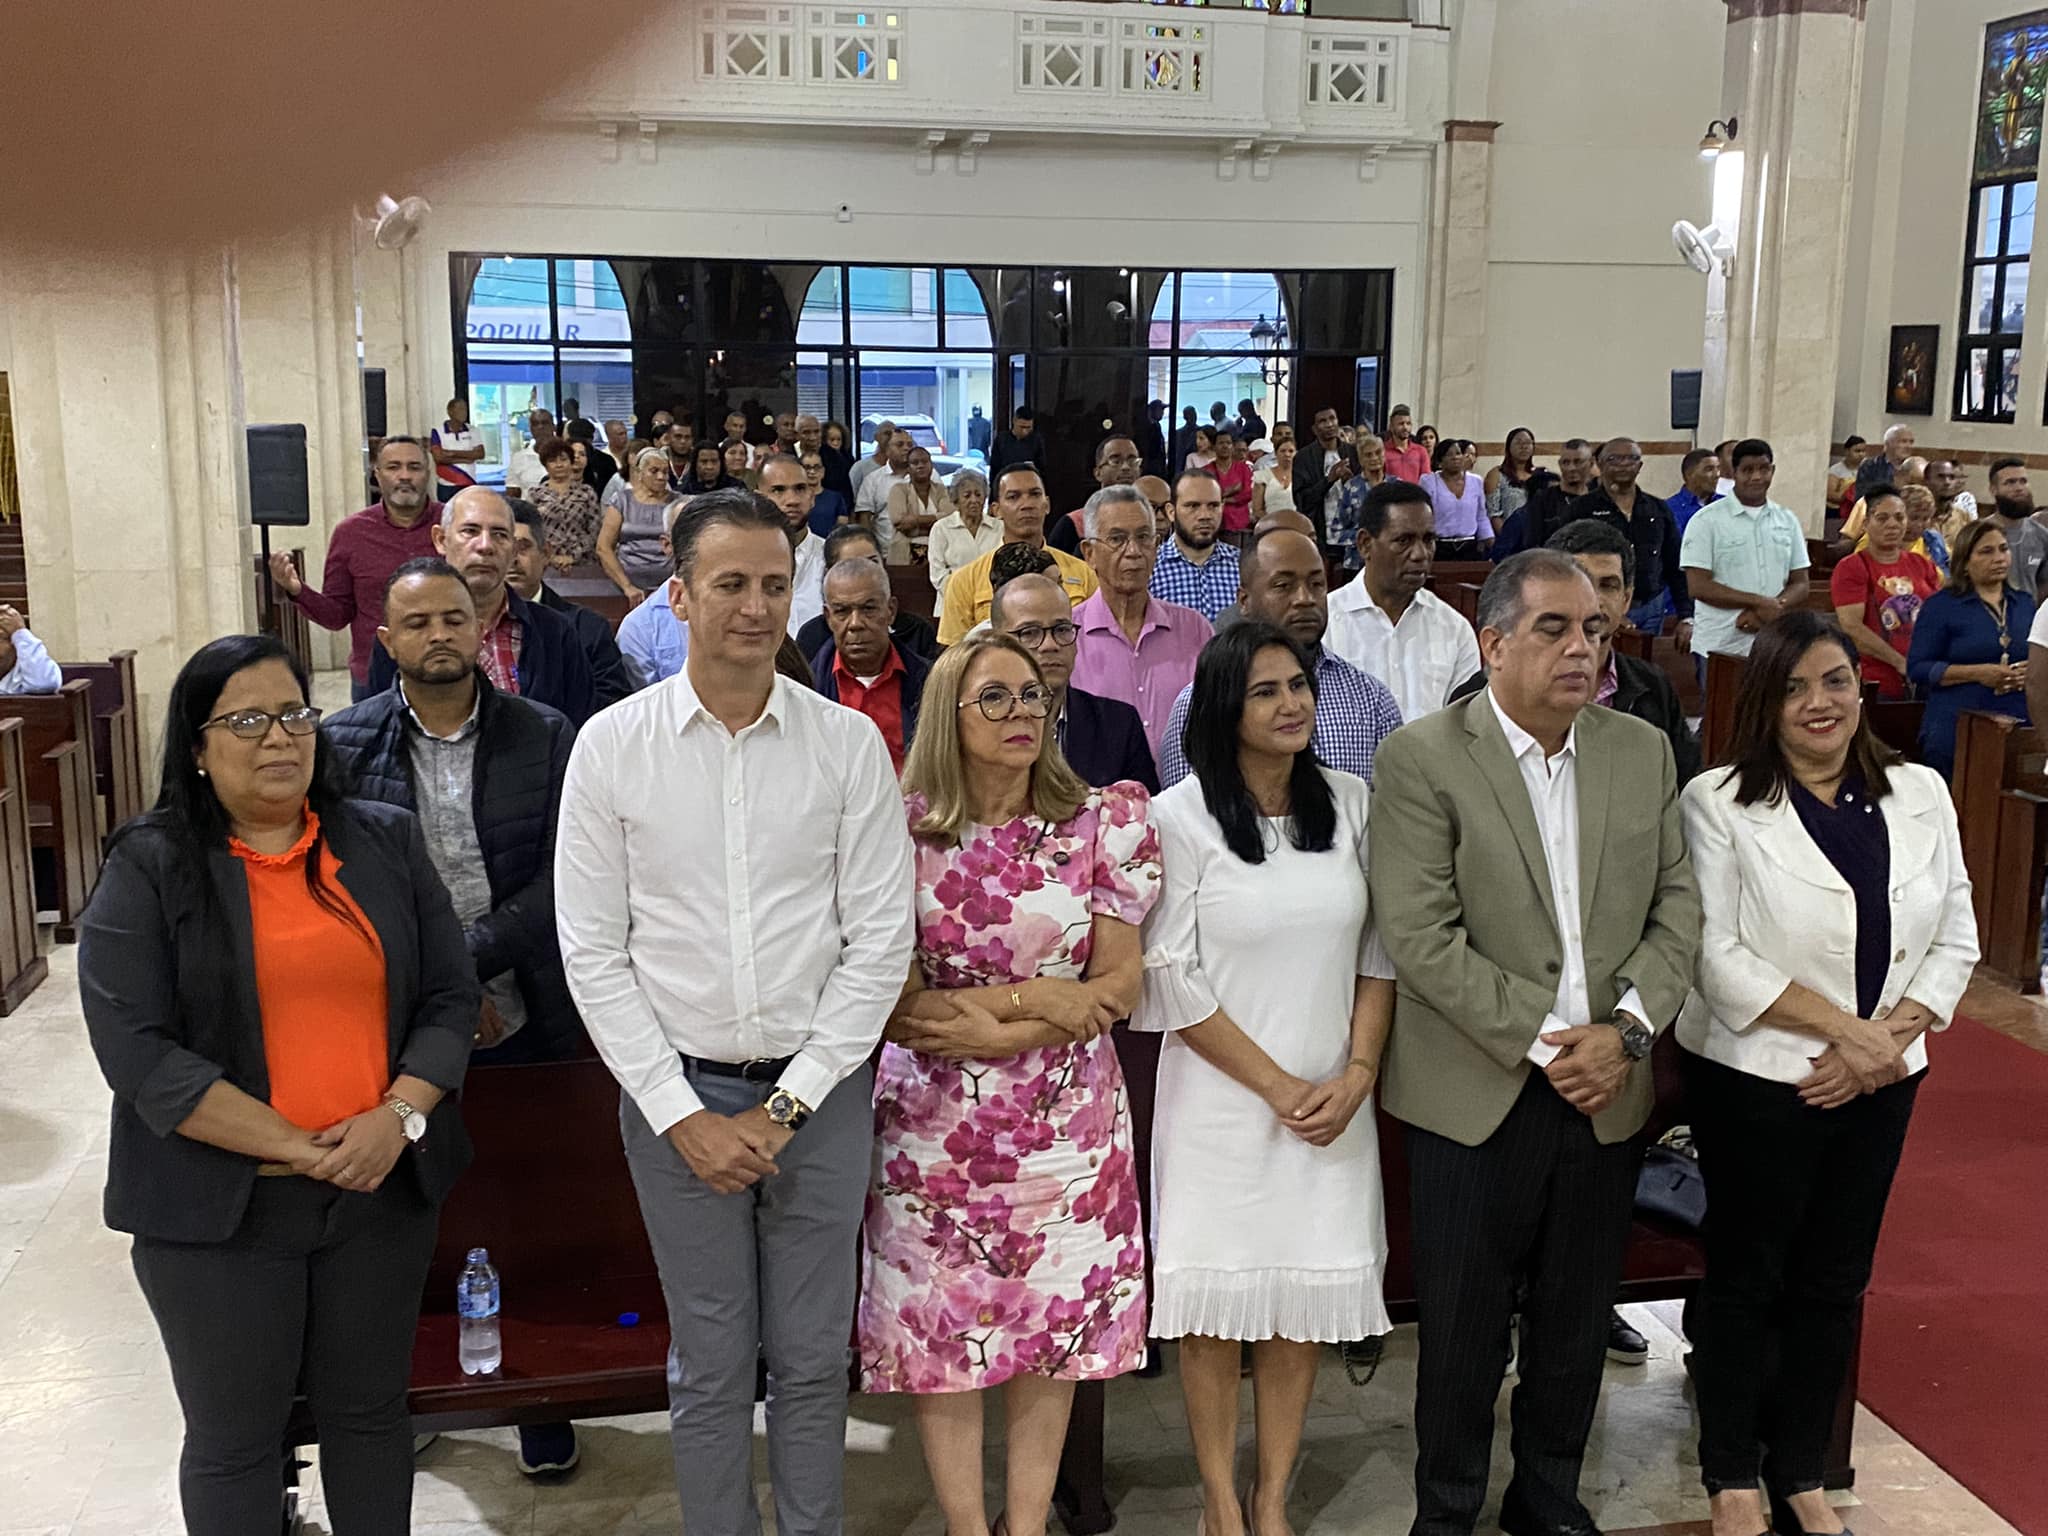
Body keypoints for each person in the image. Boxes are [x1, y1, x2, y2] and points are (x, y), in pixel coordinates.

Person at [554, 488, 915, 1536]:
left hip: (822, 1094)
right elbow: (593, 951)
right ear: (678, 596)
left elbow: (878, 943)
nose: (754, 608)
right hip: (677, 1098)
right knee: (709, 1362)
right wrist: (681, 1114)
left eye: (771, 584)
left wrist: (788, 1106)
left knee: (809, 1360)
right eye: (729, 585)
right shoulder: (613, 749)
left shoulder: (844, 748)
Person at [78, 633, 477, 1535]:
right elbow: (139, 1053)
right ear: (196, 744)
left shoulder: (382, 838)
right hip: (221, 1217)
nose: (279, 739)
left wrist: (398, 1117)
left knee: (371, 1418)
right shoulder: (150, 864)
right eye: (247, 720)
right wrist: (301, 1147)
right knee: (235, 1442)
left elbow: (451, 997)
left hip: (378, 1197)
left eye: (295, 715)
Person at [1368, 550, 1701, 1536]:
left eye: (1593, 629)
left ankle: (1547, 1497)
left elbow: (1677, 912)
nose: (1578, 646)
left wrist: (1625, 1036)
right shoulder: (1424, 756)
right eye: (1552, 627)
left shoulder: (1636, 752)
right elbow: (1421, 937)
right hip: (1477, 1092)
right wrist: (1557, 1042)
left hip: (1608, 1092)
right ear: (1494, 640)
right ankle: (1449, 1507)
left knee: (1571, 1323)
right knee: (1465, 1332)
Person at [1678, 612, 1977, 1536]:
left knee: (1835, 1278)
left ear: (1862, 689)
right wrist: (1855, 1036)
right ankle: (1732, 1471)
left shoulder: (1921, 789)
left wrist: (1885, 1045)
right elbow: (1718, 957)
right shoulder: (1719, 801)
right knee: (1747, 1273)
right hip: (1760, 1078)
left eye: (1836, 682)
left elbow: (1959, 931)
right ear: (1766, 699)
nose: (1820, 703)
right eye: (1798, 686)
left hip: (1883, 1079)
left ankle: (1802, 1469)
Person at [861, 632, 1159, 1536]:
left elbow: (1115, 988)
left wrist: (988, 1014)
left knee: (1050, 1331)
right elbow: (898, 1008)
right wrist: (1043, 1003)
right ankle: (965, 1524)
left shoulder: (1105, 819)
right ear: (949, 713)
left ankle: (1025, 1523)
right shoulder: (899, 831)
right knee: (940, 1336)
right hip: (930, 1136)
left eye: (1032, 696)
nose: (1023, 712)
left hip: (1068, 1136)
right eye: (996, 697)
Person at [1136, 620, 1395, 1536]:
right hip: (1219, 1102)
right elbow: (1169, 976)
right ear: (1221, 709)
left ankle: (1272, 1496)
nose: (1293, 704)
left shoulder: (1354, 802)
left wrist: (1357, 1070)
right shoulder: (1178, 818)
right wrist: (1278, 1088)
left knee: (1299, 1302)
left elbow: (1379, 952)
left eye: (1299, 687)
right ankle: (1217, 1498)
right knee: (1217, 1307)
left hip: (1333, 1096)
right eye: (1266, 691)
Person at [325, 557, 580, 1071]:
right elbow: (342, 889)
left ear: (479, 627)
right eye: (417, 624)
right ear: (387, 640)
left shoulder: (545, 734)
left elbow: (563, 878)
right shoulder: (340, 745)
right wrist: (439, 988)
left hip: (528, 998)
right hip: (394, 1009)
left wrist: (459, 969)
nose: (438, 634)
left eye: (454, 619)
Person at [1451, 519, 1702, 786]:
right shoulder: (1478, 695)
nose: (1592, 598)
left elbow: (1680, 784)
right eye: (1580, 581)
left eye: (1608, 585)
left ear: (1626, 599)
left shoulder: (1652, 687)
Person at [1161, 526, 1403, 788]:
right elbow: (1182, 815)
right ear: (1244, 601)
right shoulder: (1199, 701)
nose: (1304, 599)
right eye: (1283, 586)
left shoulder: (1371, 698)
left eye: (1316, 584)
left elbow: (1392, 811)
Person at [365, 488, 597, 725]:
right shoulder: (406, 632)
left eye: (499, 535)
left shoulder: (555, 631)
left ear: (513, 549)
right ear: (441, 540)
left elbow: (579, 728)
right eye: (470, 531)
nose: (485, 546)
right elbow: (378, 726)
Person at [267, 436, 441, 700]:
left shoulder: (456, 525)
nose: (404, 476)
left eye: (414, 467)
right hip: (374, 678)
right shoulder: (351, 533)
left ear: (428, 473)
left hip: (445, 671)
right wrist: (297, 590)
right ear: (377, 474)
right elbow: (337, 615)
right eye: (394, 467)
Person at [1070, 485, 1212, 757]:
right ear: (1089, 553)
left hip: (1184, 794)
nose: (1134, 551)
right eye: (1117, 539)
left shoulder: (1196, 630)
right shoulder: (1067, 638)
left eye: (1144, 537)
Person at [1326, 480, 1481, 722]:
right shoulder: (1327, 624)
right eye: (1403, 541)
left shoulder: (1454, 629)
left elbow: (1466, 725)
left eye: (1428, 540)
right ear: (1365, 544)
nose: (1420, 554)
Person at [993, 571, 1158, 791]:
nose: (1049, 645)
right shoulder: (979, 728)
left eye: (1061, 630)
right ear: (997, 644)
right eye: (1029, 633)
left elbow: (1144, 816)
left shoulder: (1119, 725)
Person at [1906, 517, 2034, 776]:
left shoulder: (2024, 604)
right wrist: (1978, 673)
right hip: (1958, 722)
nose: (1999, 558)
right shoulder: (1942, 606)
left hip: (2019, 719)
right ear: (1964, 563)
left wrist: (2032, 670)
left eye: (2003, 549)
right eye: (1986, 552)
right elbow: (1918, 668)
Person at [1680, 438, 1813, 661]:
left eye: (1764, 469)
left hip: (1772, 644)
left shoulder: (1787, 519)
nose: (1756, 477)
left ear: (1773, 470)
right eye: (1748, 470)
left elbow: (1800, 582)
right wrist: (1758, 602)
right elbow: (1698, 586)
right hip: (1720, 645)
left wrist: (1772, 608)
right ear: (1733, 472)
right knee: (1721, 697)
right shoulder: (1706, 520)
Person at [937, 465, 1099, 645]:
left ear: (1047, 505)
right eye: (1014, 497)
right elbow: (954, 656)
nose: (1027, 505)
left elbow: (1097, 644)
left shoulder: (1084, 574)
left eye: (1035, 494)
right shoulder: (965, 580)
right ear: (995, 510)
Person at [508, 499, 640, 707]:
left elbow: (612, 705)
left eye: (523, 547)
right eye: (504, 546)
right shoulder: (468, 627)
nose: (512, 559)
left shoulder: (587, 628)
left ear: (546, 554)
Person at [809, 557, 933, 772]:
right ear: (828, 618)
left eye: (868, 609)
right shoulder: (806, 687)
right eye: (842, 611)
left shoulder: (930, 682)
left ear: (891, 611)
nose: (855, 623)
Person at [1568, 436, 1692, 645]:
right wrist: (1606, 608)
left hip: (1652, 607)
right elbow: (1567, 564)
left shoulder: (1657, 508)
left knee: (1641, 671)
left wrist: (1686, 616)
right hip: (1595, 608)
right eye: (1615, 459)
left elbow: (1675, 564)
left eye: (1631, 459)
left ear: (1640, 465)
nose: (1624, 464)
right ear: (1600, 464)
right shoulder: (1581, 508)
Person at [1830, 485, 1941, 701]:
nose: (1892, 524)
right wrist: (1900, 662)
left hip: (1924, 674)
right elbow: (1852, 628)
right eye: (1882, 518)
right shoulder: (1852, 567)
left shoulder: (1922, 564)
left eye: (1899, 518)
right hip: (1875, 680)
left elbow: (1938, 616)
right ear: (1865, 524)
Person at [794, 524, 939, 665]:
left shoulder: (918, 632)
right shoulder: (811, 637)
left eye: (873, 562)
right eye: (851, 566)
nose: (866, 572)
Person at [751, 455, 830, 638]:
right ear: (759, 498)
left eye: (800, 489)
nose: (792, 500)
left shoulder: (833, 558)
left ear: (812, 497)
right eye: (778, 490)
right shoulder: (739, 561)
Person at [615, 502, 692, 687]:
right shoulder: (639, 628)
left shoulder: (751, 609)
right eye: (691, 533)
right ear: (667, 545)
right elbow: (643, 707)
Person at [1150, 470, 1242, 621]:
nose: (1205, 515)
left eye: (1213, 506)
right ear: (1171, 512)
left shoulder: (1243, 566)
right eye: (1193, 506)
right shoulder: (1150, 568)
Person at [598, 446, 683, 600]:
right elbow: (604, 547)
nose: (661, 477)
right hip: (625, 587)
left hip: (671, 586)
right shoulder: (622, 500)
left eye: (665, 472)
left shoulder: (678, 502)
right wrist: (627, 586)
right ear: (639, 473)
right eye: (654, 471)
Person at [1493, 439, 1597, 560]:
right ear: (1559, 464)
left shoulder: (1600, 499)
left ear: (1591, 463)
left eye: (1578, 462)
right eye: (1566, 462)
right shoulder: (1542, 501)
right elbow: (1531, 545)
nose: (1571, 468)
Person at [1050, 435, 1143, 555]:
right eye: (1115, 461)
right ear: (1098, 473)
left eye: (1132, 461)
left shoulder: (1150, 519)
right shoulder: (1074, 524)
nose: (1126, 467)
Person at [927, 467, 1000, 595]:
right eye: (967, 496)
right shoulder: (941, 529)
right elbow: (938, 575)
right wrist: (964, 596)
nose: (974, 500)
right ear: (956, 500)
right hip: (951, 600)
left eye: (978, 494)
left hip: (990, 599)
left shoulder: (999, 527)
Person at [531, 438, 601, 572]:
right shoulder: (535, 494)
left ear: (571, 462)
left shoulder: (586, 492)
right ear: (545, 465)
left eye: (563, 459)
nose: (559, 465)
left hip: (583, 562)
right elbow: (532, 531)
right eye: (552, 461)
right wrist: (551, 557)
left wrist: (572, 556)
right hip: (546, 563)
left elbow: (595, 530)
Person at [1983, 456, 2048, 598]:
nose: (2019, 488)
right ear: (1993, 490)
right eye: (2010, 482)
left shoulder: (2042, 535)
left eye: (2023, 481)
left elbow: (2044, 583)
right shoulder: (1978, 534)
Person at [1418, 438, 1492, 560]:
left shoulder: (1476, 481)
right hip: (1440, 547)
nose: (1455, 458)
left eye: (1458, 453)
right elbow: (1423, 516)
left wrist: (1490, 541)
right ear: (1440, 461)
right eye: (1449, 455)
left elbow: (1481, 516)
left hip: (1469, 547)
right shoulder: (1428, 481)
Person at [1327, 432, 1390, 571]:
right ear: (1361, 460)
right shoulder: (1351, 488)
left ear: (1384, 455)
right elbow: (1335, 533)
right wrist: (1366, 538)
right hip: (1356, 563)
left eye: (1378, 453)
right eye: (1368, 455)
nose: (1374, 458)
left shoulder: (1396, 486)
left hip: (1390, 562)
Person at [882, 444, 952, 564]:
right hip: (904, 557)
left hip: (940, 555)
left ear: (931, 466)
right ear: (908, 468)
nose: (920, 466)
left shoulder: (941, 490)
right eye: (915, 463)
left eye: (925, 461)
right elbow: (900, 522)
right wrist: (935, 524)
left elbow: (950, 518)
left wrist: (915, 520)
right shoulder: (898, 489)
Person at [855, 427, 913, 548]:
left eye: (909, 444)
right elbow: (864, 519)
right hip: (887, 552)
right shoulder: (873, 480)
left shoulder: (930, 475)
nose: (906, 448)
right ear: (886, 450)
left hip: (925, 554)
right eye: (900, 445)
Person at [0, 604, 61, 694]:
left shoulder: (30, 671)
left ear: (16, 644)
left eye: (0, 638)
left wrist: (20, 633)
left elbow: (43, 684)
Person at [1486, 427, 1540, 528]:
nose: (1523, 447)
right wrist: (1508, 538)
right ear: (1508, 447)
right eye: (1518, 443)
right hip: (1509, 535)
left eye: (1528, 443)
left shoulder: (1539, 475)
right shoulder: (1497, 474)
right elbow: (1493, 514)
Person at [430, 394, 484, 494]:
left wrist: (451, 453)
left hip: (468, 481)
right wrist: (466, 458)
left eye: (465, 409)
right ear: (450, 412)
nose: (464, 413)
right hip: (447, 483)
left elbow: (480, 454)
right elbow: (439, 458)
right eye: (460, 409)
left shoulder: (473, 430)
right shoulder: (437, 431)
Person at [1896, 484, 1951, 576]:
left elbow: (1947, 569)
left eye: (1925, 518)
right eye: (1914, 518)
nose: (1919, 525)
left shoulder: (1933, 540)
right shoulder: (1879, 542)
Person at [1666, 447, 1722, 534]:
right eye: (1709, 469)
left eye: (1718, 468)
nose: (1717, 474)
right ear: (1689, 474)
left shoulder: (1726, 504)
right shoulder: (1669, 509)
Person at [1209, 429, 1254, 535]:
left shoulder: (1244, 469)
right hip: (1213, 521)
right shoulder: (1206, 470)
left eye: (1228, 443)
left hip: (1239, 522)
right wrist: (1231, 491)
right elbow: (1206, 495)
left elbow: (1248, 493)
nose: (1225, 446)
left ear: (1233, 447)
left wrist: (1223, 499)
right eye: (1221, 443)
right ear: (1213, 447)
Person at [802, 447, 852, 538]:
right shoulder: (795, 498)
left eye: (816, 467)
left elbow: (842, 528)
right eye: (807, 468)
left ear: (823, 471)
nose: (812, 472)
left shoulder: (836, 498)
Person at [1854, 422, 1914, 497]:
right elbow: (1861, 497)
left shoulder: (1916, 467)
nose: (1908, 446)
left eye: (1911, 442)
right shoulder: (1870, 466)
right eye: (1903, 441)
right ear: (1887, 444)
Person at [1250, 434, 1300, 524]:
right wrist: (1275, 522)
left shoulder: (1301, 476)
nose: (1287, 454)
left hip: (1296, 525)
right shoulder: (1263, 476)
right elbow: (1257, 510)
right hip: (1269, 526)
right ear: (1276, 453)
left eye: (1291, 451)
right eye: (1283, 451)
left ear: (1296, 453)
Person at [505, 408, 554, 498]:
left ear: (553, 426)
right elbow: (512, 495)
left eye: (544, 423)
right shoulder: (518, 458)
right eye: (536, 424)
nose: (540, 427)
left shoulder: (565, 455)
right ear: (530, 429)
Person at [566, 416, 618, 498]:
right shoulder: (607, 460)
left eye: (582, 454)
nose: (577, 458)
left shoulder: (606, 461)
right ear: (592, 438)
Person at [991, 405, 1047, 477]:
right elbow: (994, 468)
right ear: (1014, 421)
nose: (1024, 431)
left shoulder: (1036, 440)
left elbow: (1042, 468)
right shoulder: (1001, 440)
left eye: (1028, 427)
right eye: (1022, 427)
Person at [1383, 405, 1431, 484]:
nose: (1405, 427)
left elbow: (1426, 480)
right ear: (1391, 426)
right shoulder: (1382, 450)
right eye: (1401, 424)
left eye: (1408, 423)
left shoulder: (1420, 451)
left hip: (1415, 495)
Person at [1825, 435, 1868, 511]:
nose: (1861, 454)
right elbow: (1830, 495)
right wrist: (1848, 493)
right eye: (1857, 451)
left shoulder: (1869, 468)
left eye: (1863, 451)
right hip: (1838, 511)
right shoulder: (1836, 470)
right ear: (1847, 451)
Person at [1138, 397, 1171, 480]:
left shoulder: (1156, 426)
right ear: (1153, 411)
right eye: (1160, 410)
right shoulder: (1148, 427)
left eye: (1163, 410)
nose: (1162, 413)